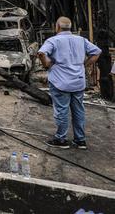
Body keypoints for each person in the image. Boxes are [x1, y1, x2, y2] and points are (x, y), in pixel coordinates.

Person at [37, 16, 101, 150]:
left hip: (60, 82)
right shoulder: (81, 40)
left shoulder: (53, 40)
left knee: (62, 110)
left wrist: (47, 65)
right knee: (78, 110)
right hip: (78, 81)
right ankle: (80, 140)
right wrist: (85, 64)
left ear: (57, 27)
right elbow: (97, 52)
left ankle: (61, 139)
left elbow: (41, 53)